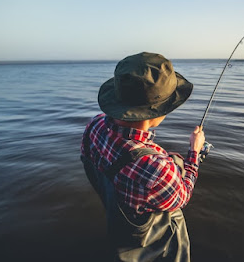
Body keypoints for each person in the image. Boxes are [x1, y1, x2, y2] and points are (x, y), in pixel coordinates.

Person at [81, 52, 205, 261]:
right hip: (156, 245)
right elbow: (182, 196)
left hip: (117, 224)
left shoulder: (95, 125)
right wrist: (194, 153)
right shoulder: (158, 170)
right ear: (156, 111)